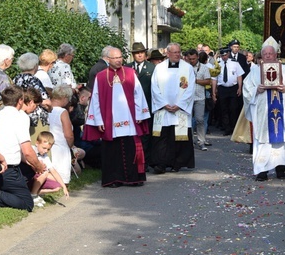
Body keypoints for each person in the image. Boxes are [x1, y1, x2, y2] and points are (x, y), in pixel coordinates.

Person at [84, 47, 151, 186]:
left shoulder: (130, 73)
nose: (119, 60)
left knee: (131, 147)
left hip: (129, 117)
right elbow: (95, 99)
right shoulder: (101, 76)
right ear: (108, 59)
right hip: (110, 119)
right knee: (112, 150)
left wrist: (140, 113)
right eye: (115, 58)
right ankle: (113, 178)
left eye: (120, 57)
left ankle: (134, 178)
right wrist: (98, 120)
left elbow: (139, 94)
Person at [243, 38, 285, 181]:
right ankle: (262, 170)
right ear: (261, 56)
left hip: (283, 110)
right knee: (264, 140)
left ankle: (281, 168)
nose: (268, 56)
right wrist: (256, 90)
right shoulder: (254, 72)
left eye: (271, 53)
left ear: (276, 54)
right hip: (263, 113)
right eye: (265, 54)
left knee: (282, 139)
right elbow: (246, 90)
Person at [0, 86, 44, 211]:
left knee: (25, 174)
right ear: (20, 100)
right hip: (9, 168)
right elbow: (27, 151)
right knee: (27, 203)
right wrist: (38, 166)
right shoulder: (21, 117)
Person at [150, 43, 196, 173]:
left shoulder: (187, 68)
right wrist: (163, 104)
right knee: (162, 138)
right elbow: (154, 87)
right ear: (167, 53)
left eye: (179, 52)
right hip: (163, 109)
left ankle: (177, 163)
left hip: (179, 109)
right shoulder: (159, 68)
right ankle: (161, 163)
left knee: (178, 137)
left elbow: (190, 88)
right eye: (174, 52)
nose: (177, 54)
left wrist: (180, 105)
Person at [48, 85, 78, 186]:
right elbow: (69, 135)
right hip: (60, 148)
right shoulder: (62, 112)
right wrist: (71, 146)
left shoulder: (46, 108)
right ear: (65, 98)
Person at [29, 131, 69, 205]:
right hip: (30, 176)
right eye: (44, 148)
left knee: (57, 186)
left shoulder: (45, 156)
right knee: (45, 173)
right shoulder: (31, 150)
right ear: (37, 143)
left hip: (38, 177)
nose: (45, 151)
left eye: (48, 149)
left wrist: (64, 187)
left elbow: (53, 170)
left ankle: (35, 192)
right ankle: (33, 195)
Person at [212, 48, 244, 136]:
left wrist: (239, 87)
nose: (224, 57)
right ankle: (227, 128)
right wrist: (213, 92)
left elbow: (239, 76)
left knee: (233, 108)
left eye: (225, 55)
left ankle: (233, 127)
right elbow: (214, 79)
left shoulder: (235, 63)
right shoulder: (217, 65)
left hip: (233, 88)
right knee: (223, 109)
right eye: (222, 55)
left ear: (228, 54)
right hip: (222, 88)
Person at [187, 49, 211, 151]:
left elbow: (208, 81)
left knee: (200, 120)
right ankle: (189, 141)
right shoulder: (185, 68)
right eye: (190, 59)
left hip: (200, 97)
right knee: (187, 121)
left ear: (197, 57)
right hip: (187, 98)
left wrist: (196, 80)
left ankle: (201, 141)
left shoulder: (204, 68)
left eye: (193, 58)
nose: (192, 60)